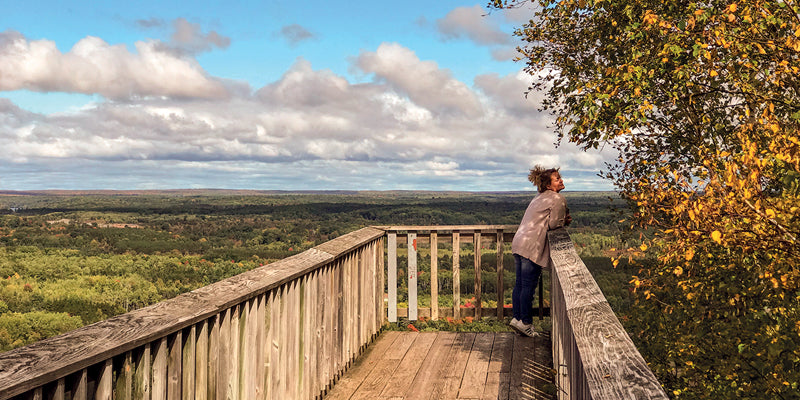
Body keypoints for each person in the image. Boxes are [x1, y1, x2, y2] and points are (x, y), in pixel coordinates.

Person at [509, 166, 571, 337]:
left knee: (520, 284)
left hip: (519, 242)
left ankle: (517, 319)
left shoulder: (539, 197)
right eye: (557, 179)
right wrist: (565, 220)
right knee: (528, 285)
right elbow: (553, 225)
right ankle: (526, 323)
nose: (561, 181)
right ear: (549, 185)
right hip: (532, 245)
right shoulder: (557, 198)